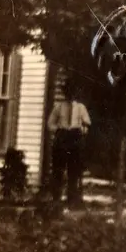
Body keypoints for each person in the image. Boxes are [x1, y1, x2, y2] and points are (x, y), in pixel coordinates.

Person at [47, 77, 91, 208]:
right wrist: (58, 129)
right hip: (62, 137)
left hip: (75, 137)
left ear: (75, 93)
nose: (70, 94)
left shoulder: (80, 107)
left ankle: (71, 199)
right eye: (68, 91)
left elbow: (87, 123)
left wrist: (83, 130)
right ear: (65, 92)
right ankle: (56, 198)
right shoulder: (59, 107)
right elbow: (50, 123)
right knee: (58, 169)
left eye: (72, 91)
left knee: (74, 170)